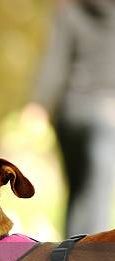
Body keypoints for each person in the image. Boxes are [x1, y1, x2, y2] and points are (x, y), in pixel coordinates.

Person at [25, 0, 115, 236]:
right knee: (96, 197)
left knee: (76, 194)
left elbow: (55, 60)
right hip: (107, 113)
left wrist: (39, 104)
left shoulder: (69, 9)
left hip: (71, 111)